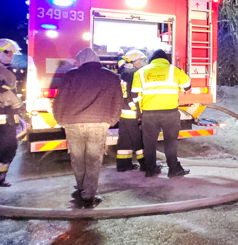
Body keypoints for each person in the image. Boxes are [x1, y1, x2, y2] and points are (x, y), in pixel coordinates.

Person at [53, 47, 123, 208]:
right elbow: (118, 101)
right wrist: (111, 120)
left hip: (72, 122)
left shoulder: (70, 75)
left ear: (80, 61)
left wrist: (60, 119)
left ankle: (81, 187)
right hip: (99, 122)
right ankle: (88, 194)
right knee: (93, 159)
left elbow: (60, 100)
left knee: (77, 158)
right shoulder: (111, 77)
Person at [132, 50, 191, 178]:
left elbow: (134, 94)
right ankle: (173, 169)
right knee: (170, 142)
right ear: (165, 59)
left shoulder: (141, 72)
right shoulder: (174, 70)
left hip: (149, 113)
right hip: (170, 113)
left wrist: (139, 112)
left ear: (152, 59)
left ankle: (150, 169)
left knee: (149, 144)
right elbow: (187, 86)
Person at [0, 39, 25, 195]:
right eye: (8, 52)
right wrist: (17, 105)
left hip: (6, 120)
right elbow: (3, 92)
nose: (11, 55)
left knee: (9, 148)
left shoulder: (3, 70)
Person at [116, 49, 147, 172]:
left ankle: (123, 164)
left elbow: (121, 63)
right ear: (134, 62)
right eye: (142, 61)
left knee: (125, 139)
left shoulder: (124, 71)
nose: (144, 63)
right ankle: (146, 164)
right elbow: (132, 96)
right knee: (139, 139)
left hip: (124, 112)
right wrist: (139, 112)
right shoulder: (134, 74)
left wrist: (120, 56)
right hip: (132, 112)